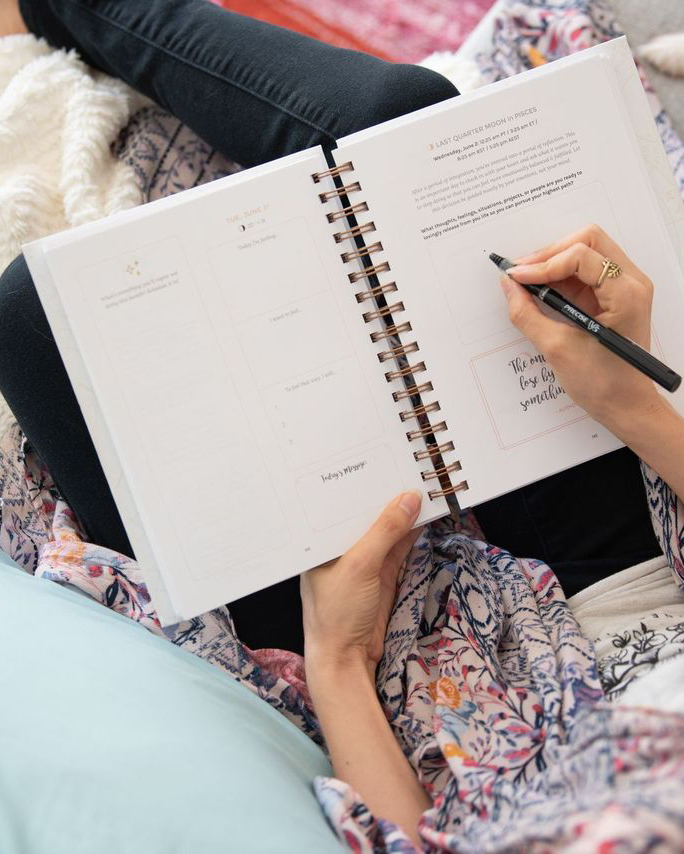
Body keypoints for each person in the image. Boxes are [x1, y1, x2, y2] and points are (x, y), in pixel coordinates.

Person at [1, 1, 682, 847]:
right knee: (402, 127)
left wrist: (336, 659)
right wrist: (628, 400)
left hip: (422, 714)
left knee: (36, 318)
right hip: (634, 571)